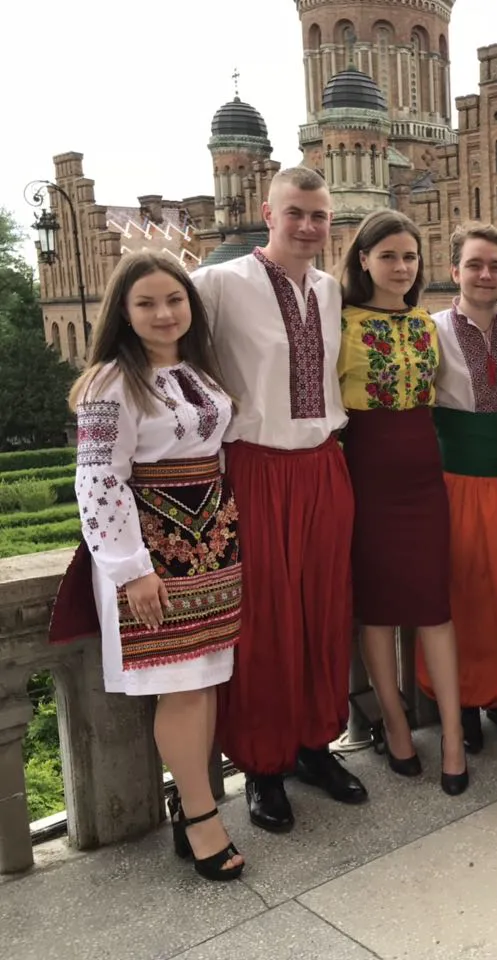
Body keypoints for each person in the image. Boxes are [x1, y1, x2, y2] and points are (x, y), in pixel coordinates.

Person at [50, 252, 244, 880]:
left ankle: (193, 806)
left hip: (211, 542)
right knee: (181, 687)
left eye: (174, 300)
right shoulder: (110, 383)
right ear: (124, 314)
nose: (164, 313)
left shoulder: (196, 370)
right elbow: (98, 479)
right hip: (154, 551)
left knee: (205, 679)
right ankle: (200, 817)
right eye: (147, 303)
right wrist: (130, 569)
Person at [191, 166, 364, 833]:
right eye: (296, 212)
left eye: (319, 216)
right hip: (255, 469)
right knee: (263, 621)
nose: (308, 226)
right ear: (269, 213)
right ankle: (264, 766)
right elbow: (160, 341)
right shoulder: (218, 283)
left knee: (324, 610)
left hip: (323, 465)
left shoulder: (329, 289)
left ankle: (316, 745)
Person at [336, 210, 468, 795]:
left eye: (409, 256)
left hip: (423, 474)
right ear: (363, 259)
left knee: (434, 605)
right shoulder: (340, 321)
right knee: (379, 609)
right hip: (367, 472)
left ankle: (454, 734)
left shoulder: (425, 322)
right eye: (388, 255)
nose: (400, 266)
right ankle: (393, 723)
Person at [426, 222, 497, 754]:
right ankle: (463, 701)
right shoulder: (431, 331)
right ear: (454, 271)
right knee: (466, 592)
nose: (485, 274)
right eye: (474, 264)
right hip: (458, 478)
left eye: (496, 266)